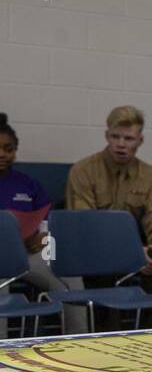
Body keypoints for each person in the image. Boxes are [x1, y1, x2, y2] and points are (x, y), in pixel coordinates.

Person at [66, 105, 152, 324]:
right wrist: (132, 254)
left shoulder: (150, 175)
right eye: (115, 136)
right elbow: (86, 225)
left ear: (140, 141)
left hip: (141, 252)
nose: (120, 144)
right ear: (107, 136)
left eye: (128, 138)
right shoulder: (83, 170)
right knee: (106, 273)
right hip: (94, 252)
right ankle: (106, 340)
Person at [0, 114, 87, 334]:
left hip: (29, 254)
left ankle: (78, 340)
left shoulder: (28, 184)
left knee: (68, 274)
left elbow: (46, 221)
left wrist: (44, 237)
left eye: (9, 149)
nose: (3, 154)